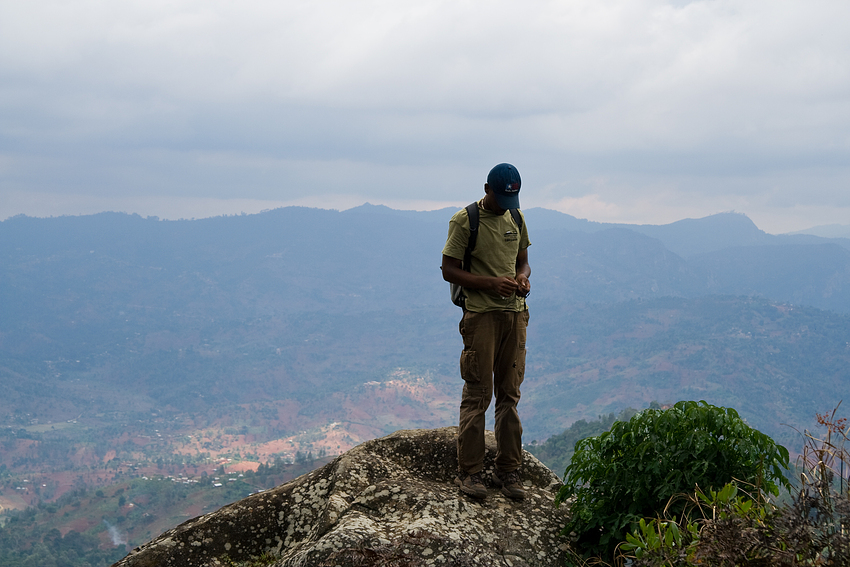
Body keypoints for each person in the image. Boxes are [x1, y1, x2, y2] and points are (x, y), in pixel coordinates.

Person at [440, 163, 531, 500]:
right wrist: (491, 283)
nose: (507, 206)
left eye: (513, 199)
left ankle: (509, 471)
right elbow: (449, 270)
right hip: (480, 317)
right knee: (479, 393)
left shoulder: (517, 218)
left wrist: (522, 278)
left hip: (515, 315)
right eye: (502, 198)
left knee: (510, 394)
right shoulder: (465, 221)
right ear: (486, 189)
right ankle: (472, 472)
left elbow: (523, 260)